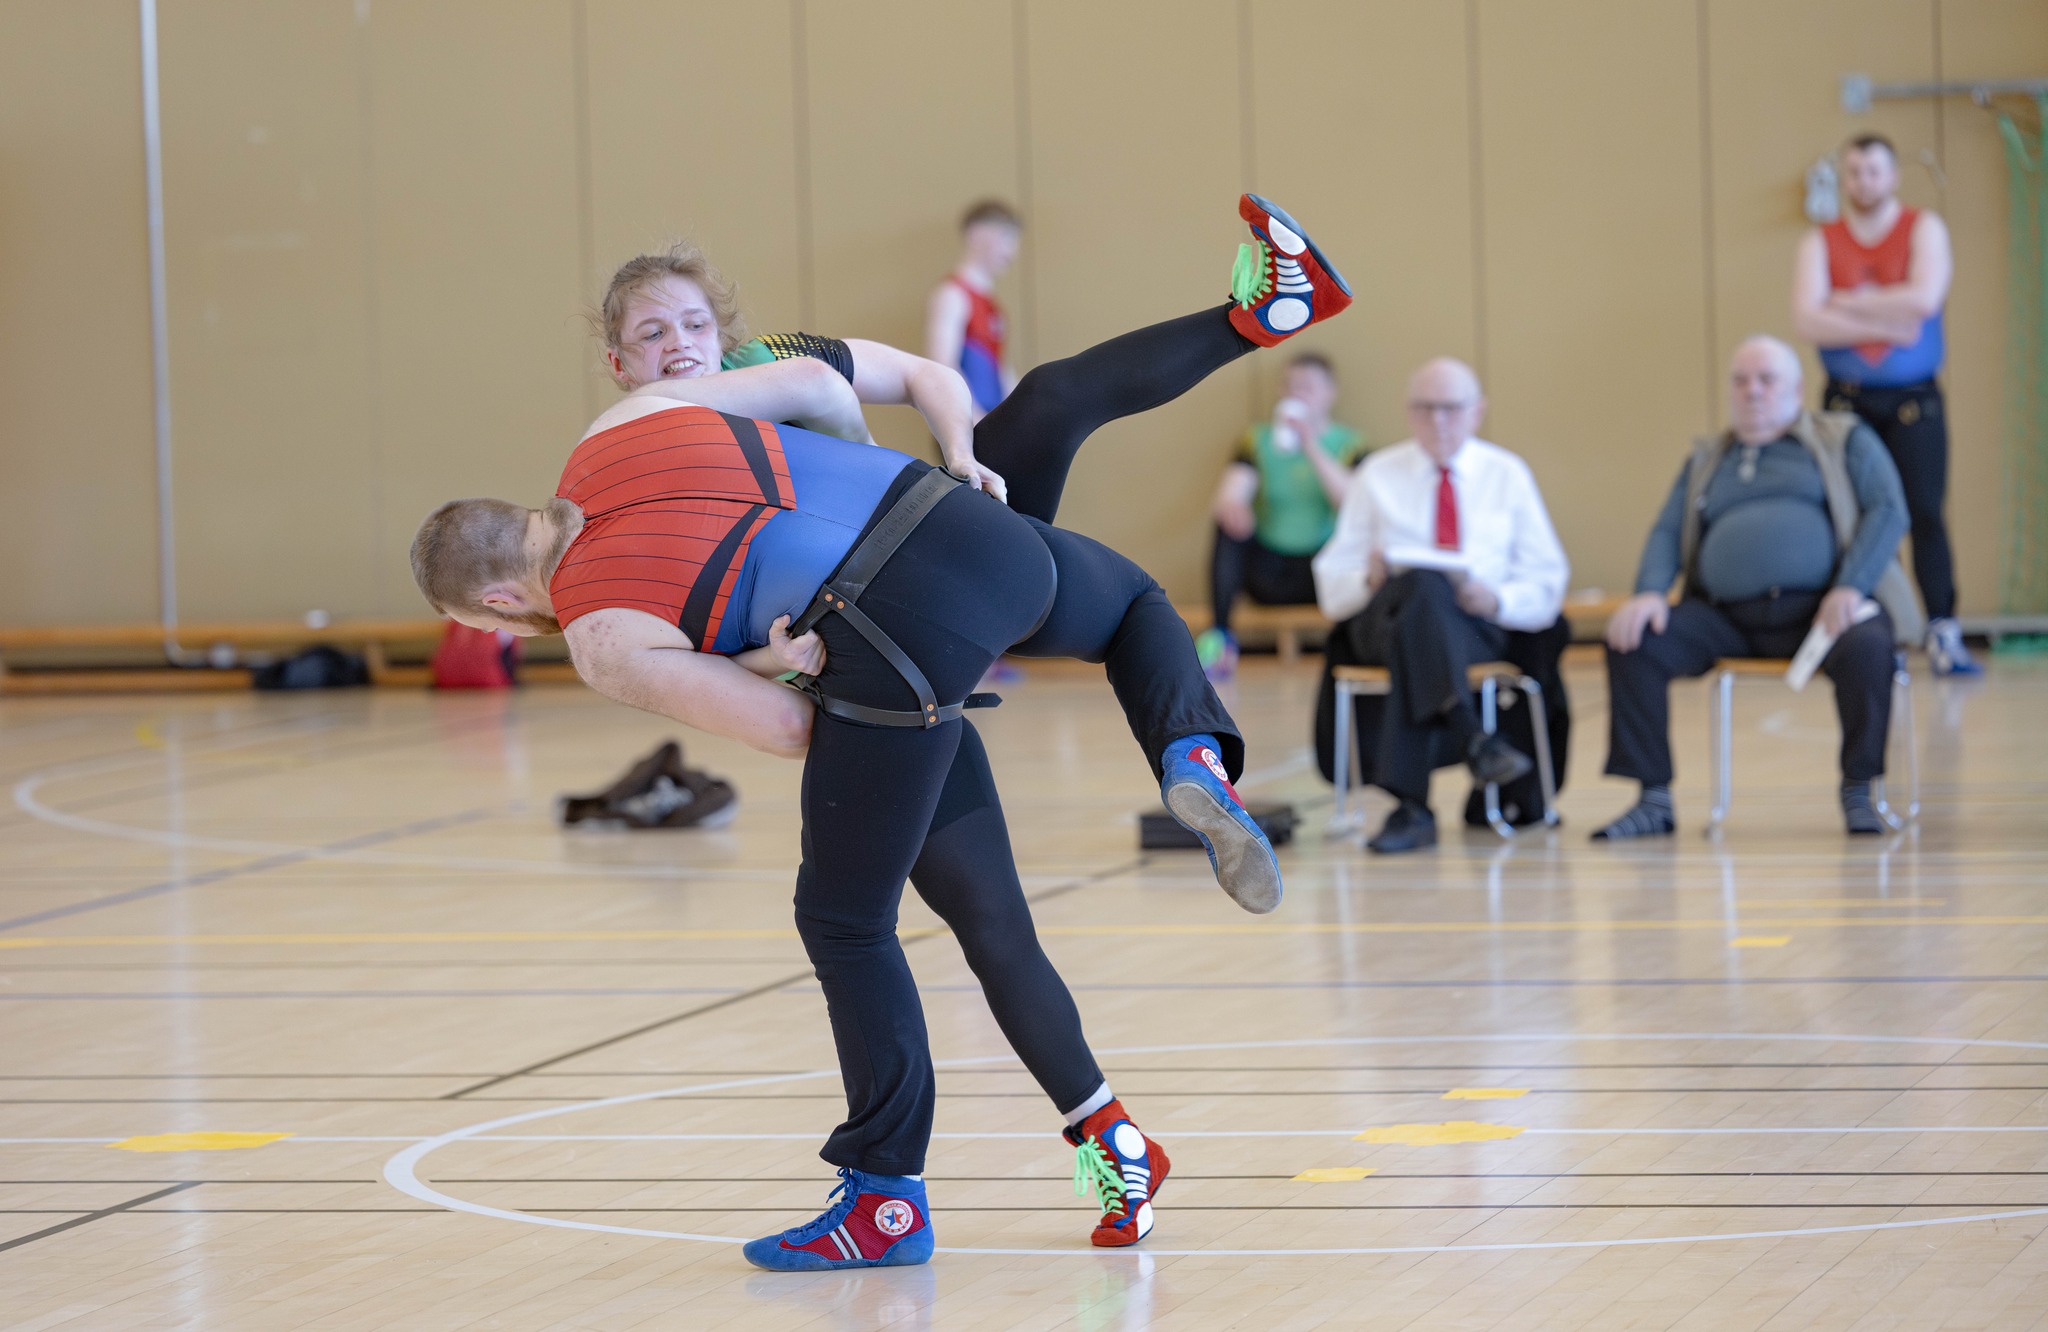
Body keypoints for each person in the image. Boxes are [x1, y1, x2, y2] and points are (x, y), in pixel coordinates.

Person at [414, 194, 1353, 1270]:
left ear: (495, 604)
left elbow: (786, 727)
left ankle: (883, 1201)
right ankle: (1125, 1083)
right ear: (618, 365)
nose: (676, 347)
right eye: (652, 336)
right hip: (958, 542)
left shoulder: (607, 605)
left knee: (844, 921)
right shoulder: (634, 427)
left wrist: (807, 620)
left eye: (689, 326)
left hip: (894, 630)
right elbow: (826, 395)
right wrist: (890, 495)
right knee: (1116, 622)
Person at [1596, 336, 1916, 840]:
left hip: (1823, 610)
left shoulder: (1842, 438)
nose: (1753, 391)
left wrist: (1850, 587)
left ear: (1797, 390)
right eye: (1741, 381)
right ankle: (1652, 799)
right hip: (1726, 616)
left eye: (1767, 380)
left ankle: (1859, 788)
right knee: (1634, 641)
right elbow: (1667, 529)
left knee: (1869, 647)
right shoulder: (1708, 458)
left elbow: (1888, 510)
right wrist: (1649, 592)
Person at [1310, 358, 1568, 854]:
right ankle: (1471, 735)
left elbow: (1548, 578)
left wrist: (1496, 598)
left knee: (1426, 612)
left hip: (1476, 626)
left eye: (1451, 408)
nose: (1439, 421)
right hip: (1381, 622)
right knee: (1423, 588)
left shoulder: (1506, 474)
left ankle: (1412, 808)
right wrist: (1368, 576)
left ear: (1477, 411)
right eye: (1426, 409)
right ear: (1409, 413)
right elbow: (1330, 583)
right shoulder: (1376, 474)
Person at [1793, 132, 1978, 676]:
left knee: (1924, 511)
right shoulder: (1820, 242)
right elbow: (1807, 319)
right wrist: (1889, 318)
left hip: (1914, 401)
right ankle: (1883, 637)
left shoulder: (1922, 229)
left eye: (1874, 172)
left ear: (1892, 176)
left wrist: (1844, 303)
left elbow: (1924, 300)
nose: (1864, 182)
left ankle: (1942, 629)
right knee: (1863, 519)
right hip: (1846, 403)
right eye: (1854, 172)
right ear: (1843, 179)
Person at [1198, 351, 1367, 681]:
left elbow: (1353, 505)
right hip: (1270, 570)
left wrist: (1310, 445)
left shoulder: (1351, 444)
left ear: (1330, 394)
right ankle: (1220, 639)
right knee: (1225, 524)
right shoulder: (1257, 440)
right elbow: (1229, 495)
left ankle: (1358, 646)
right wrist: (1234, 508)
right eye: (1289, 385)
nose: (1295, 394)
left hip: (1323, 570)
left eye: (1306, 387)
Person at [925, 199, 1021, 420]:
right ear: (976, 233)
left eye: (1015, 240)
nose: (1012, 250)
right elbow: (943, 365)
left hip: (990, 422)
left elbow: (1000, 367)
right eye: (1005, 237)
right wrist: (974, 418)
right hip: (966, 424)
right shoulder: (951, 295)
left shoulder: (992, 305)